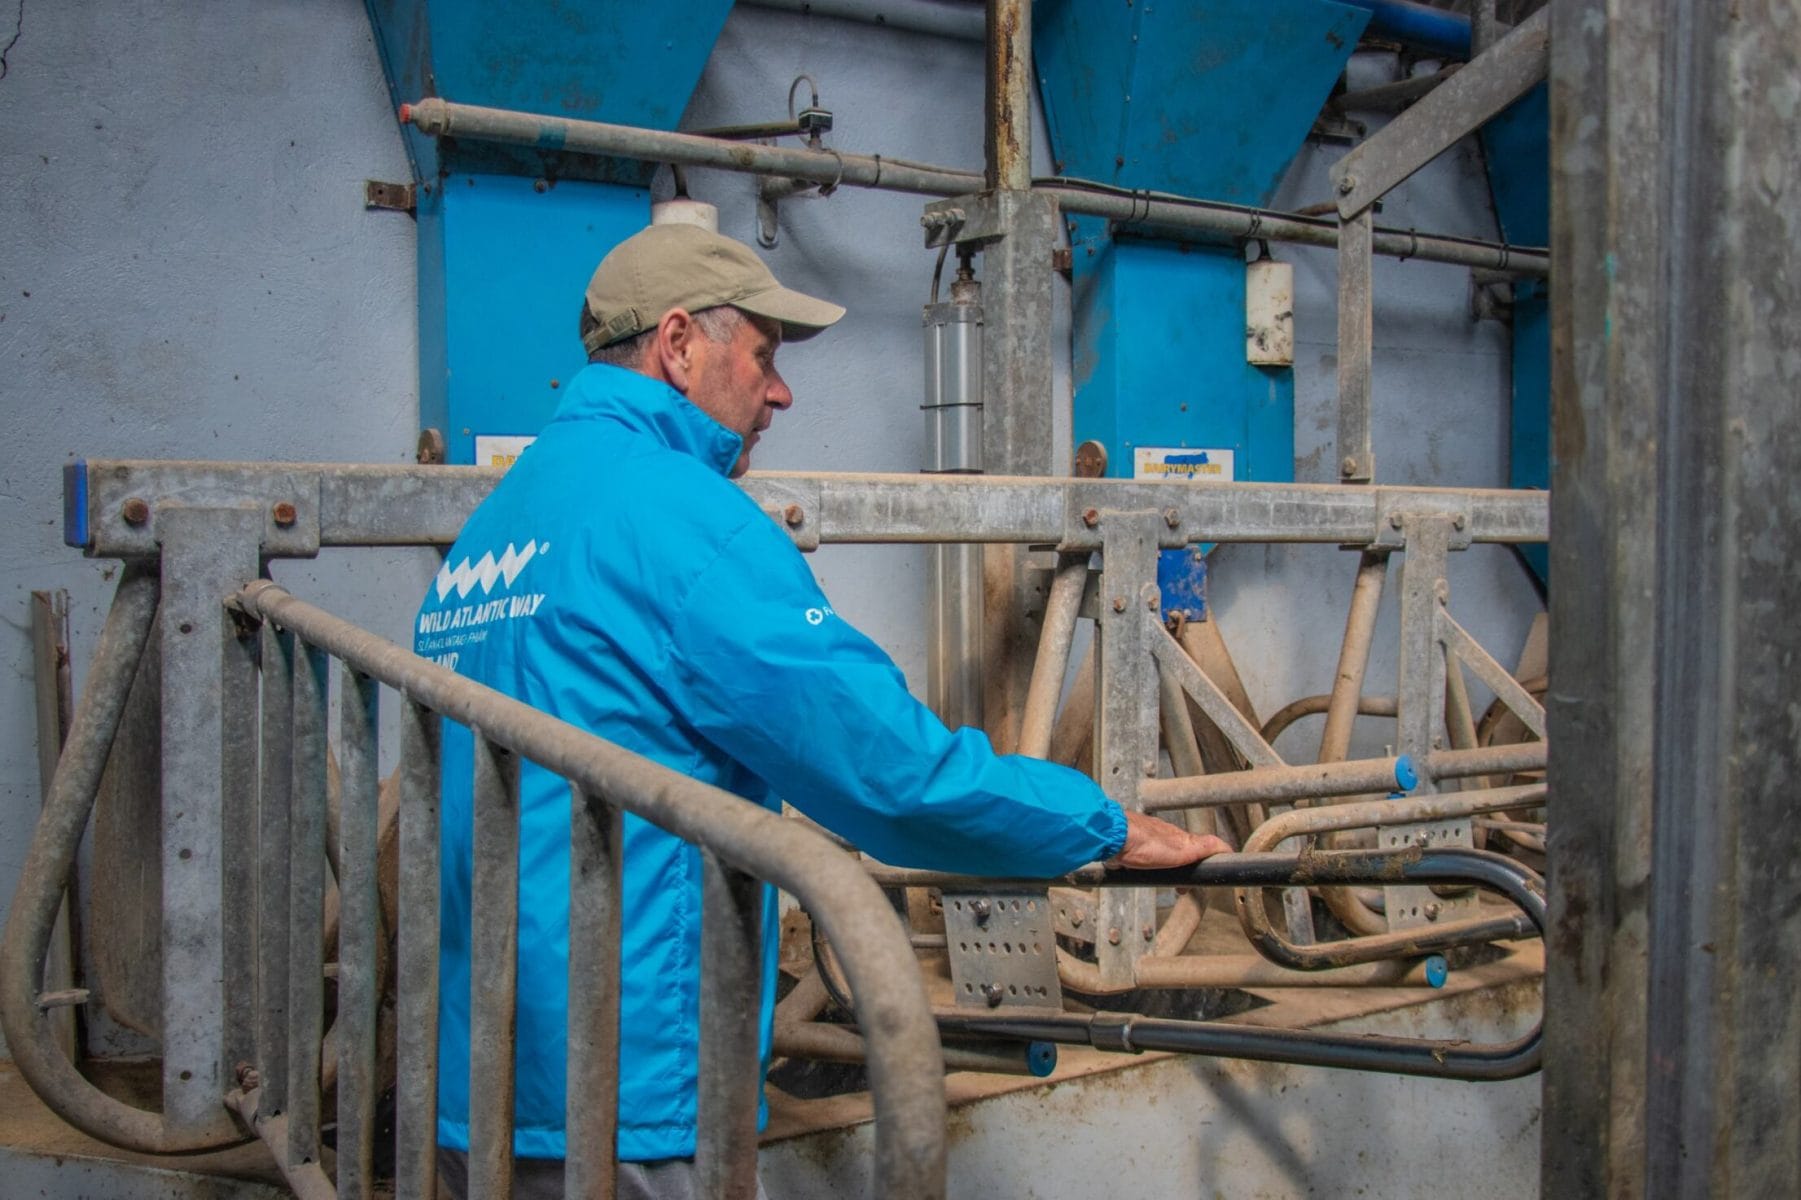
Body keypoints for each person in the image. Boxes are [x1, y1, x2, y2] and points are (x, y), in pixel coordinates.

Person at [414, 222, 1228, 1198]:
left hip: (478, 1072)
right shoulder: (683, 520)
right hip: (623, 1082)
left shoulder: (501, 523)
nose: (781, 391)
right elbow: (889, 774)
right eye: (762, 354)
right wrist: (1093, 826)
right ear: (678, 346)